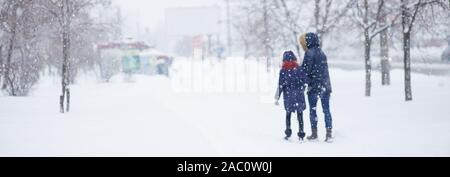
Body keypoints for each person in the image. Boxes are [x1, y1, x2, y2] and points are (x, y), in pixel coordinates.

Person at [299, 32, 334, 142]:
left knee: (313, 110)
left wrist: (303, 81)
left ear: (308, 41)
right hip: (325, 86)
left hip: (314, 87)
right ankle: (329, 134)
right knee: (326, 110)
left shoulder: (309, 53)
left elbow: (305, 71)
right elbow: (324, 71)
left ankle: (314, 133)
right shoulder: (322, 53)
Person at [275, 51, 308, 141]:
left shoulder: (283, 70)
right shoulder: (299, 69)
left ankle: (288, 132)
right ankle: (301, 134)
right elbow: (305, 80)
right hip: (299, 96)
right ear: (294, 58)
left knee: (288, 114)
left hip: (289, 96)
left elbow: (280, 85)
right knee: (300, 115)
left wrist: (277, 97)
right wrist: (303, 87)